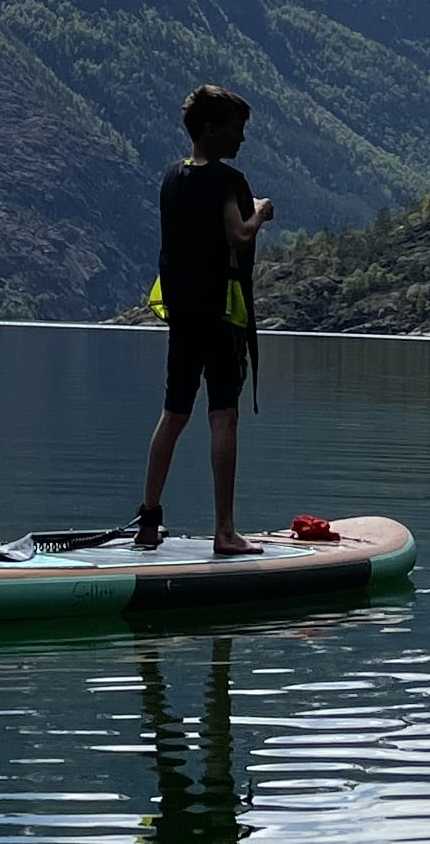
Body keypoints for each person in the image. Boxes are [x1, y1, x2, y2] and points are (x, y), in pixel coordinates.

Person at [134, 85, 272, 555]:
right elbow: (237, 236)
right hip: (219, 317)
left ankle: (148, 523)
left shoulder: (172, 178)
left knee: (173, 413)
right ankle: (225, 531)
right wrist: (260, 213)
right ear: (211, 131)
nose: (242, 139)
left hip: (183, 316)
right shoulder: (228, 182)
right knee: (223, 416)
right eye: (237, 130)